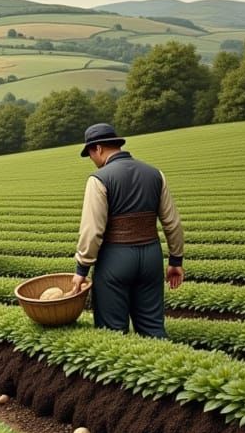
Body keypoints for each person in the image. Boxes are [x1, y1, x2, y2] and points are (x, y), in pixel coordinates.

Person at [69, 123, 184, 337]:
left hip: (115, 259)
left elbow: (92, 230)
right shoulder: (156, 174)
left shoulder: (99, 179)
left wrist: (81, 269)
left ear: (99, 149)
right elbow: (172, 223)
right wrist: (176, 261)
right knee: (153, 328)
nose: (93, 160)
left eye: (91, 154)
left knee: (112, 332)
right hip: (151, 256)